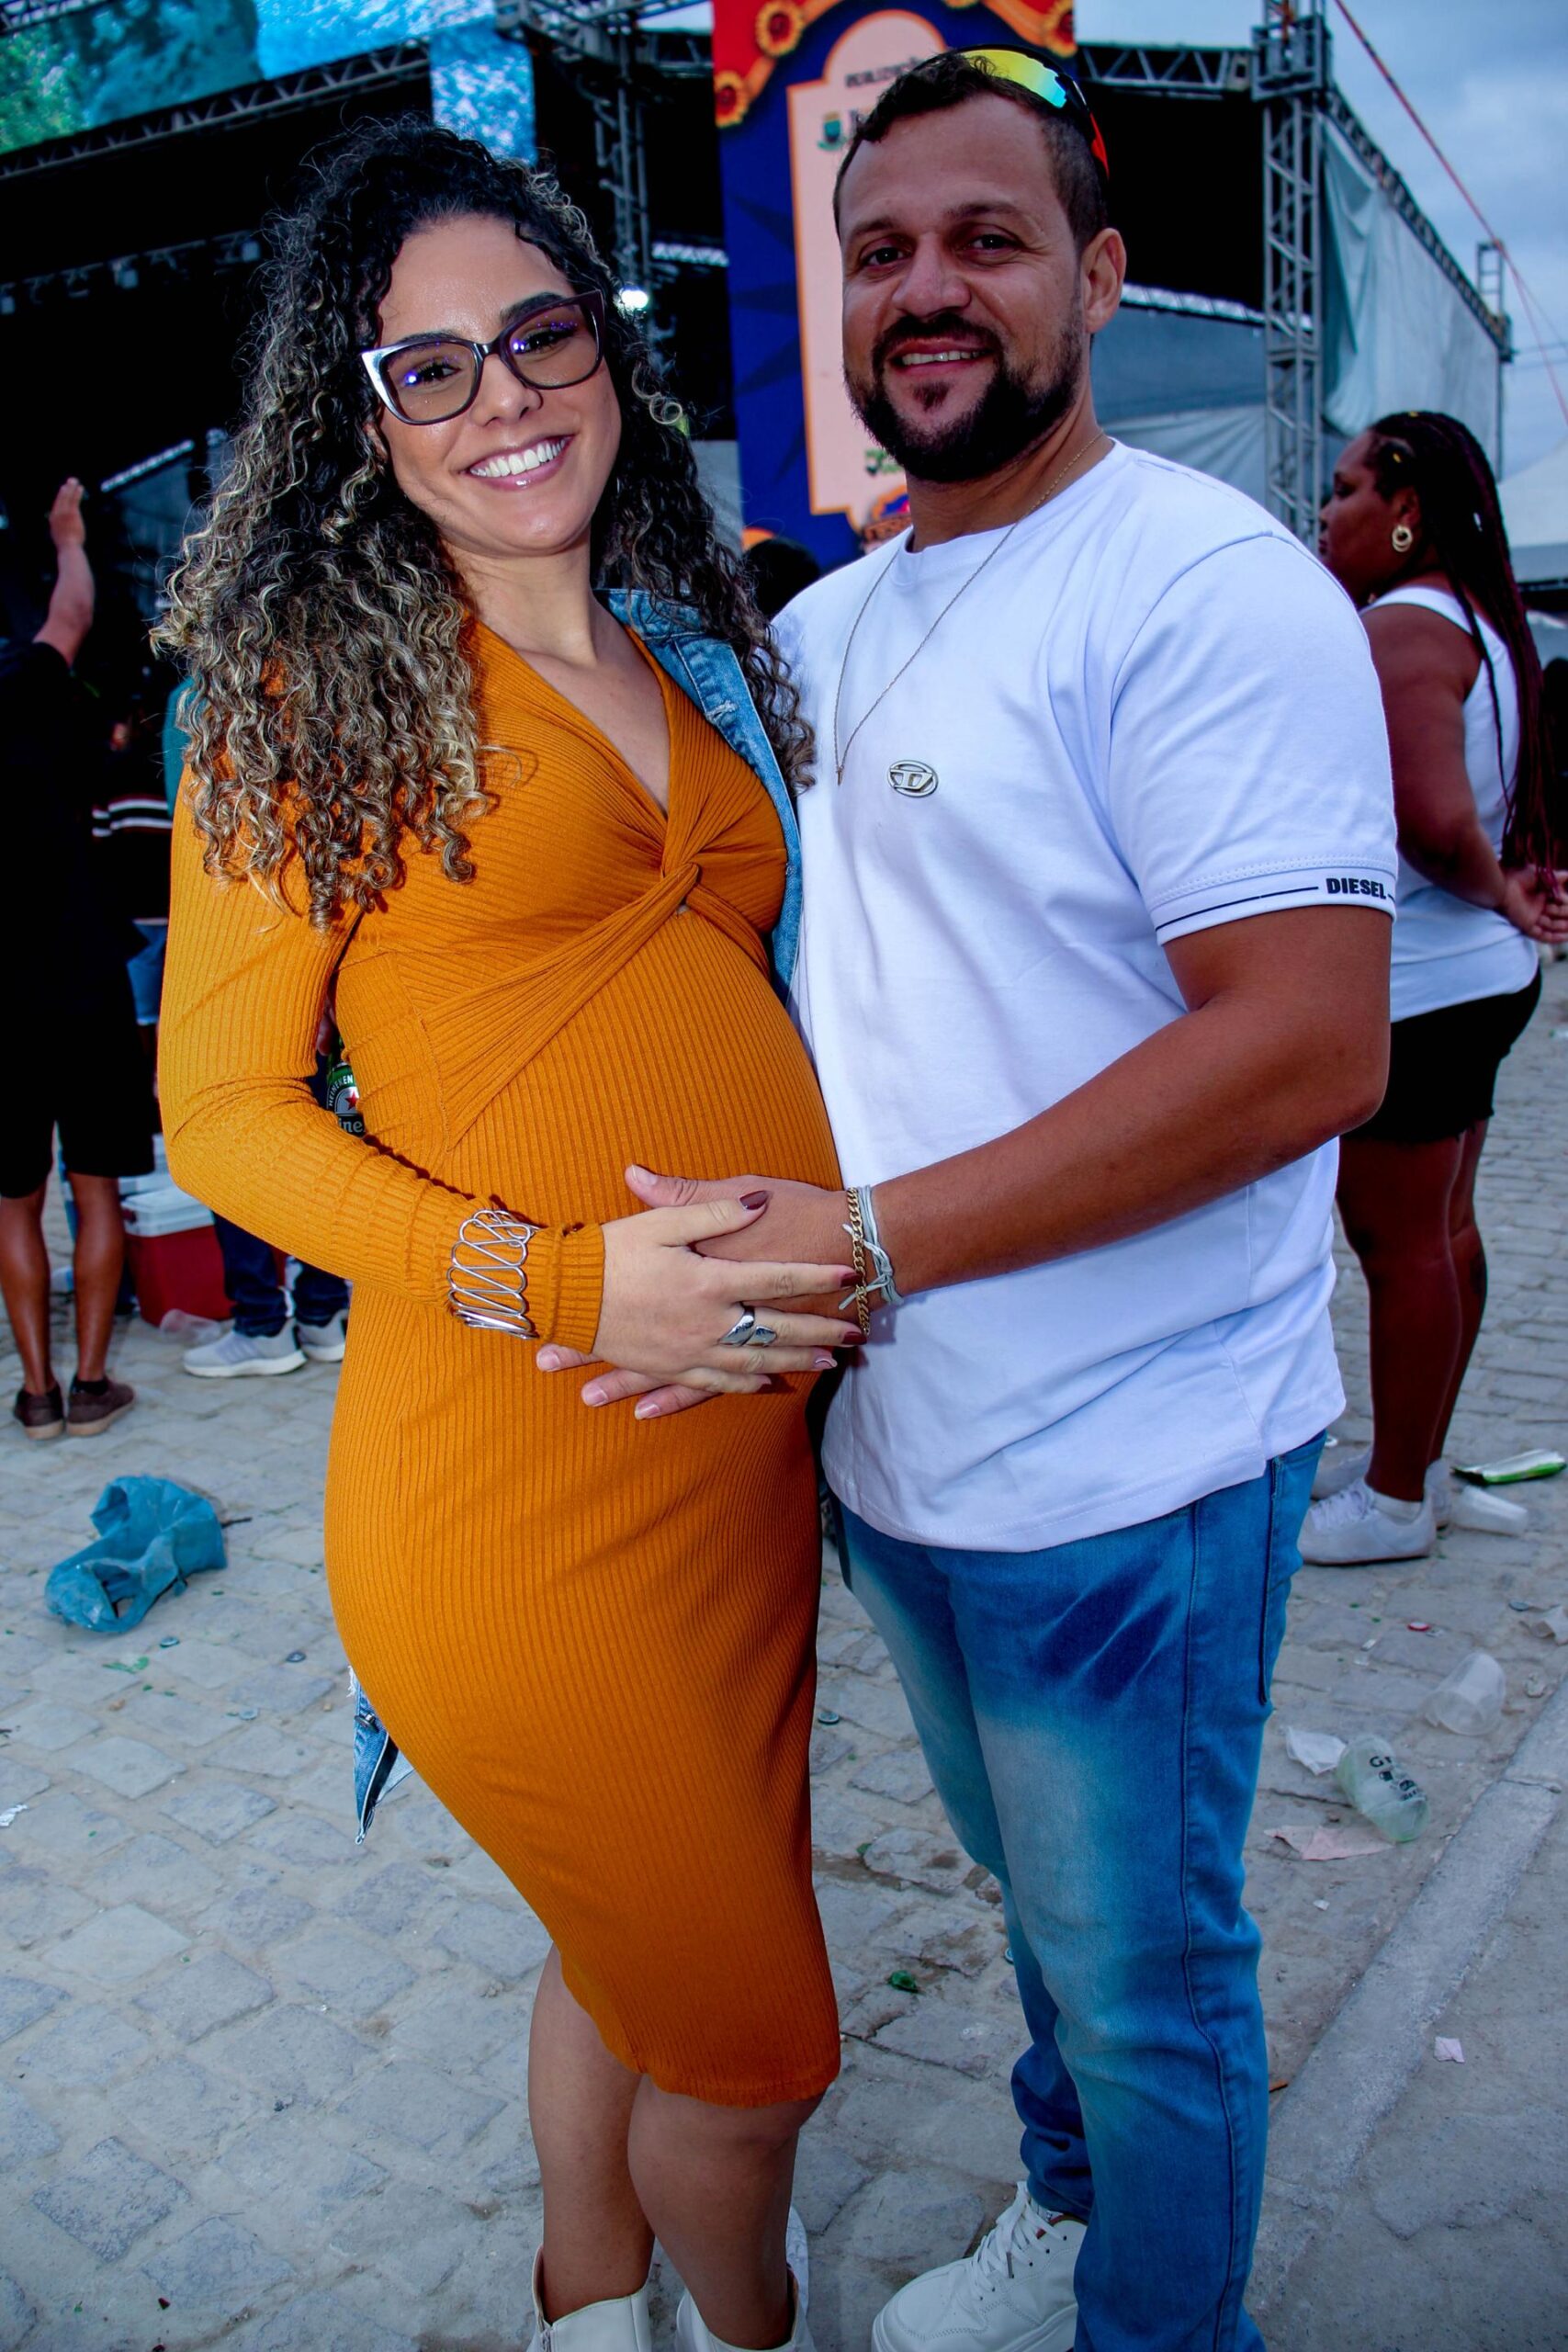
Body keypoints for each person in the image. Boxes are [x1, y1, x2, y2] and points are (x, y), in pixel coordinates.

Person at [549, 50, 1396, 2352]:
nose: (926, 289)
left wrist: (871, 1241)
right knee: (1035, 1917)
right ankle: (1064, 2219)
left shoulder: (1199, 585)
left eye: (986, 239)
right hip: (898, 1448)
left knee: (1143, 1983)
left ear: (1097, 277)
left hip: (1132, 1463)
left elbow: (1307, 1042)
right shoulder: (824, 635)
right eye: (881, 250)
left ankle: (1157, 2320)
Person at [155, 119, 860, 2352]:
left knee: (619, 1950)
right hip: (514, 1482)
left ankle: (585, 2306)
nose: (502, 399)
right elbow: (221, 1115)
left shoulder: (698, 654)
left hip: (736, 1480)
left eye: (539, 335)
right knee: (758, 2054)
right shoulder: (301, 692)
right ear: (357, 417)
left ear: (607, 353)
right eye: (428, 367)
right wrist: (556, 1276)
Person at [1305, 412, 1568, 1564]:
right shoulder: (1476, 619)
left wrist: (1499, 888)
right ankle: (1421, 1466)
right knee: (1445, 1231)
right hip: (1468, 978)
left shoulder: (1405, 625)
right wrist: (1507, 892)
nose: (1327, 512)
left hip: (1424, 985)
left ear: (1404, 510)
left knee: (1398, 1242)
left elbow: (1430, 815)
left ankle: (1397, 1499)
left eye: (1346, 489)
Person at [1, 479, 150, 1439]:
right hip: (85, 973)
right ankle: (93, 1384)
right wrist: (67, 538)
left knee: (13, 1205)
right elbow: (74, 611)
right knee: (96, 1191)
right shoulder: (31, 688)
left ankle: (38, 1395)